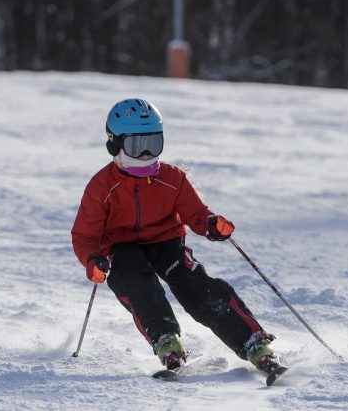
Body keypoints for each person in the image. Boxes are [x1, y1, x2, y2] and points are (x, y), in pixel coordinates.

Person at [71, 98, 280, 373]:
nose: (146, 154)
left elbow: (197, 214)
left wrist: (211, 224)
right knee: (134, 279)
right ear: (114, 144)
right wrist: (93, 260)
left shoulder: (172, 178)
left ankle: (253, 342)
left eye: (154, 144)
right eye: (137, 145)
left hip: (166, 243)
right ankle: (166, 340)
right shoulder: (102, 186)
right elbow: (85, 235)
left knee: (193, 284)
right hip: (123, 248)